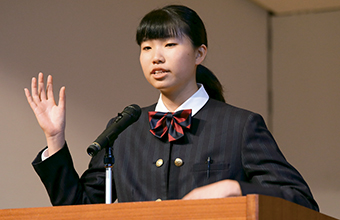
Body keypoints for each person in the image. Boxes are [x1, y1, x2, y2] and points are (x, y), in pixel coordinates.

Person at [24, 5, 319, 211]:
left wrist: (235, 189)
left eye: (169, 44)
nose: (156, 57)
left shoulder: (241, 126)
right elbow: (79, 211)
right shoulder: (125, 130)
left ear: (199, 53)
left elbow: (300, 200)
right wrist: (55, 138)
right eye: (147, 47)